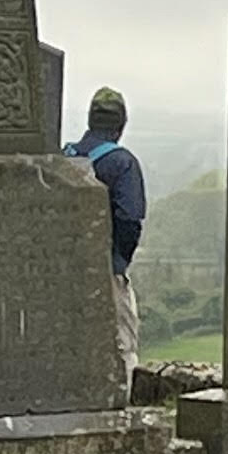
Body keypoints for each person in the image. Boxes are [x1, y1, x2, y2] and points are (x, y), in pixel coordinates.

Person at [68, 87, 147, 377]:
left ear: (90, 120)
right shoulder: (122, 163)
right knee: (121, 345)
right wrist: (118, 262)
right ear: (121, 125)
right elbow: (129, 218)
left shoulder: (65, 157)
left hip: (61, 269)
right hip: (105, 268)